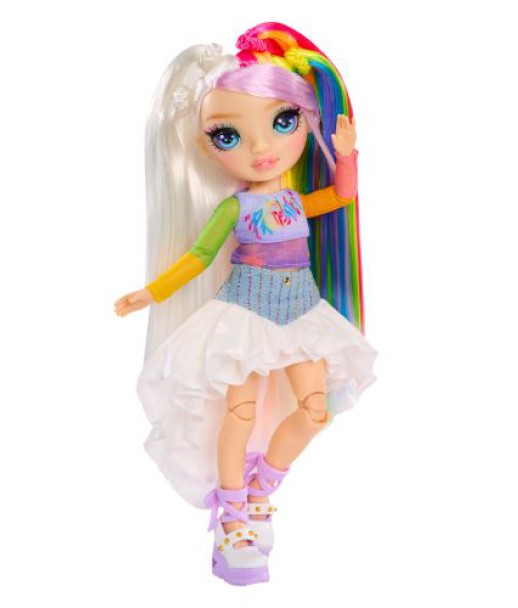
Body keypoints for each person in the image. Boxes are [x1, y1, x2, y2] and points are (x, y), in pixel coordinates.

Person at [114, 22, 377, 586]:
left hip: (301, 311)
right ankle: (232, 515)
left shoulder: (293, 200)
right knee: (241, 412)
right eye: (228, 135)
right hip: (247, 314)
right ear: (205, 146)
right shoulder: (235, 209)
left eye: (282, 123)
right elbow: (200, 255)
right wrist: (153, 291)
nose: (260, 148)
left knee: (314, 410)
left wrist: (346, 155)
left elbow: (341, 196)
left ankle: (262, 489)